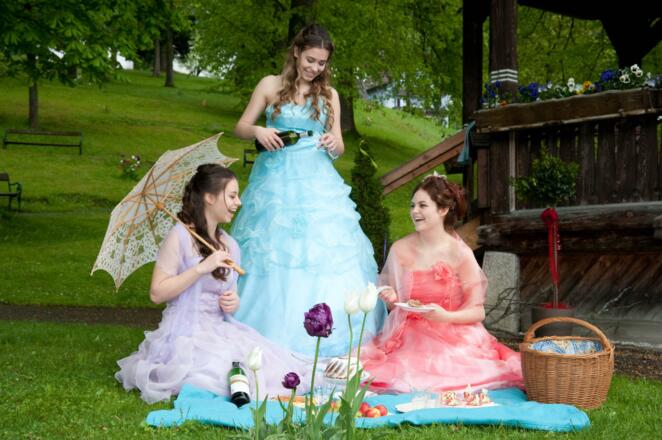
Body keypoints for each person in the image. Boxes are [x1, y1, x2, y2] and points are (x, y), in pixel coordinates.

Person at [231, 24, 383, 356]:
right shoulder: (270, 85)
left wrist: (332, 142)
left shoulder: (329, 95)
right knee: (274, 247)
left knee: (321, 249)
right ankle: (266, 328)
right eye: (310, 60)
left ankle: (325, 331)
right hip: (276, 179)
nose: (315, 68)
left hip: (317, 180)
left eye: (321, 63)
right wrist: (258, 131)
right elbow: (240, 126)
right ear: (297, 52)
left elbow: (339, 146)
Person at [115, 164, 310, 404]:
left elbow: (231, 295)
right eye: (232, 196)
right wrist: (200, 268)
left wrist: (232, 302)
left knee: (264, 363)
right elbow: (157, 293)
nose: (238, 202)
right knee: (217, 370)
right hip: (184, 333)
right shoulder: (180, 236)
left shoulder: (229, 245)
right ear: (209, 198)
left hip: (218, 328)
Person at [360, 173, 523, 394]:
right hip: (409, 334)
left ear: (443, 210)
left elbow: (478, 312)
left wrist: (445, 316)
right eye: (412, 205)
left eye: (422, 205)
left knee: (448, 370)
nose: (414, 211)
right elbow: (397, 304)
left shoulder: (460, 253)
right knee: (396, 373)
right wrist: (391, 298)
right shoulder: (400, 249)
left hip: (453, 333)